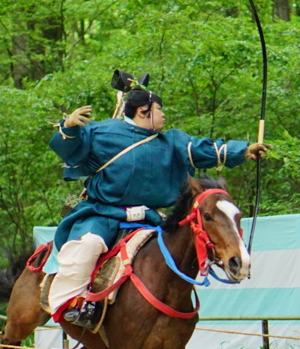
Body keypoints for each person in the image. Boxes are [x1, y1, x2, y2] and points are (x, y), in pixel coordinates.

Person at [49, 87, 267, 329]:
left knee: (177, 250)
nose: (164, 115)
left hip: (150, 217)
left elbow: (204, 149)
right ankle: (74, 303)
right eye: (159, 109)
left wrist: (244, 150)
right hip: (103, 213)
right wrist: (68, 127)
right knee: (87, 246)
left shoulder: (172, 141)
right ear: (143, 111)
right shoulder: (103, 132)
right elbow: (70, 150)